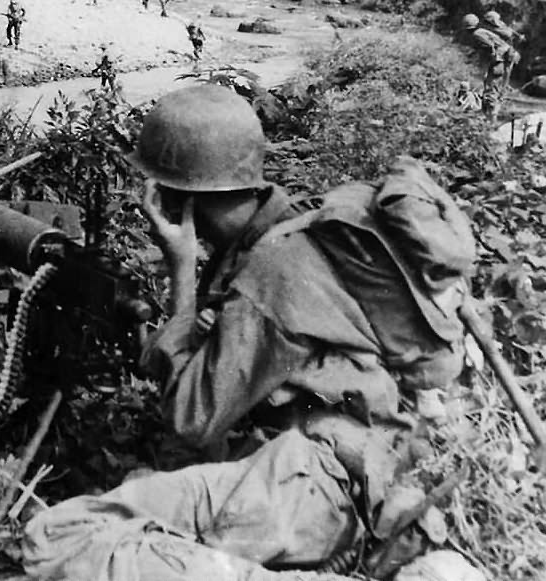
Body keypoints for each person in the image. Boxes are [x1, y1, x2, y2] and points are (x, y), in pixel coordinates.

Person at [23, 84, 468, 581]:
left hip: (312, 487)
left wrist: (181, 268)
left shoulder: (272, 270)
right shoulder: (286, 233)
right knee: (141, 489)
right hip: (346, 472)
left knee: (55, 536)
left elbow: (191, 419)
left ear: (180, 199)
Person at [460, 13, 513, 119]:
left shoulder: (477, 34)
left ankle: (492, 120)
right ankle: (488, 116)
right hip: (502, 60)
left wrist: (491, 62)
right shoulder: (480, 32)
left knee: (490, 92)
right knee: (490, 89)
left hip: (498, 62)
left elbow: (490, 48)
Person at [482, 11, 523, 87]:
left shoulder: (500, 25)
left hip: (507, 51)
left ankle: (503, 88)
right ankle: (496, 88)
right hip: (499, 52)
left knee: (506, 70)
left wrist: (517, 36)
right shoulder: (490, 27)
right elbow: (507, 33)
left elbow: (509, 31)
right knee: (495, 71)